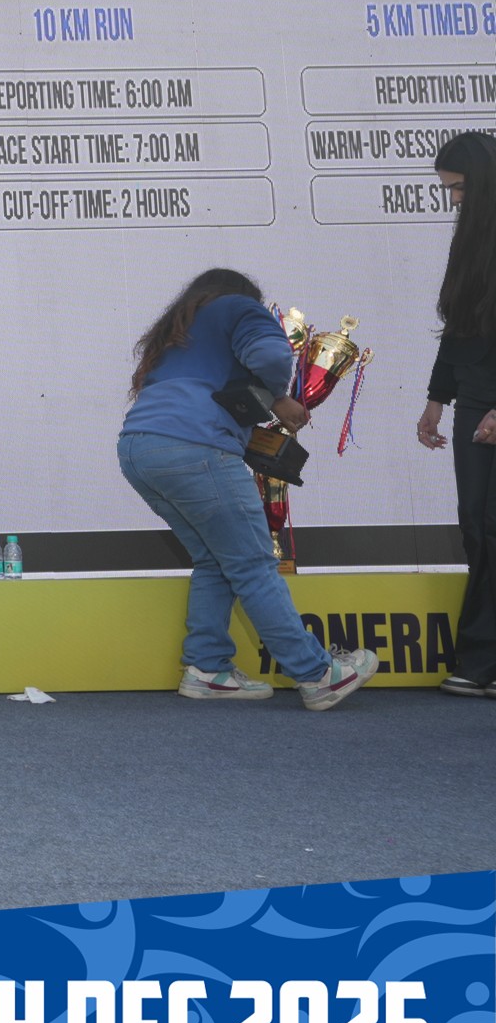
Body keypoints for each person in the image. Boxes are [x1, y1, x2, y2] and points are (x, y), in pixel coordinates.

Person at [115, 266, 378, 714]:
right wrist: (278, 397)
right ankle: (317, 675)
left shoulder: (178, 329)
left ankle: (207, 668)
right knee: (254, 565)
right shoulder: (239, 307)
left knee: (215, 561)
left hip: (138, 449)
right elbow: (273, 356)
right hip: (195, 445)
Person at [416, 130, 496, 696]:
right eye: (449, 189)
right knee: (475, 525)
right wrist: (435, 400)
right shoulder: (469, 240)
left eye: (461, 187)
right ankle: (482, 657)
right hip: (472, 400)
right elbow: (459, 329)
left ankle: (483, 659)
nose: (454, 199)